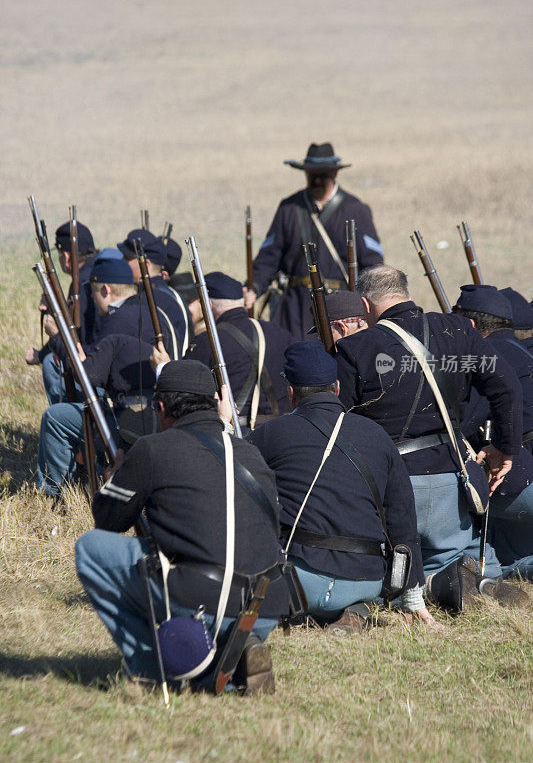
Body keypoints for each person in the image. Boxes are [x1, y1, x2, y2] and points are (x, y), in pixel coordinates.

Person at [75, 360, 289, 693]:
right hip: (264, 605)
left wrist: (114, 479)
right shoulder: (251, 453)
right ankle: (233, 653)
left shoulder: (152, 448)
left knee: (90, 549)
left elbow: (107, 521)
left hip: (201, 598)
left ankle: (154, 668)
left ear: (161, 407)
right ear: (214, 402)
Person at [336, 266, 527, 611]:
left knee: (383, 573)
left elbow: (339, 423)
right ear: (405, 292)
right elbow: (507, 387)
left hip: (388, 487)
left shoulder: (355, 348)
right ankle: (462, 584)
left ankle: (431, 587)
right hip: (448, 479)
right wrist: (506, 448)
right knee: (457, 557)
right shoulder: (457, 330)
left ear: (365, 304)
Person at [248, 341, 435, 632]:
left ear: (291, 393)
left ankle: (300, 612)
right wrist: (411, 596)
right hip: (365, 579)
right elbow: (402, 521)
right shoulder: (377, 435)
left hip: (299, 581)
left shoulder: (269, 434)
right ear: (336, 388)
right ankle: (355, 609)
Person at [35, 256, 173, 497]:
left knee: (56, 418)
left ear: (106, 290)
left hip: (134, 420)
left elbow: (88, 375)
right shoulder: (153, 314)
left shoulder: (118, 322)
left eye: (94, 293)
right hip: (157, 415)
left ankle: (54, 492)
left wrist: (58, 339)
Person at [244, 142, 383, 339]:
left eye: (322, 175)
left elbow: (373, 264)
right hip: (294, 308)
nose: (317, 180)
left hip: (340, 311)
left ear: (334, 174)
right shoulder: (289, 208)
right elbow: (269, 256)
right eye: (312, 174)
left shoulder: (356, 209)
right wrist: (254, 286)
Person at [454, 284, 533, 580]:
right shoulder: (520, 351)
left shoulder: (487, 359)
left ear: (470, 324)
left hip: (519, 479)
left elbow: (463, 423)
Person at [186, 272, 292, 429]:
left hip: (234, 435)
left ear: (208, 303)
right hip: (281, 432)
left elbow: (187, 392)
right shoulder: (282, 335)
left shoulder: (206, 342)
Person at [25, 220, 99, 404]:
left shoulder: (80, 285)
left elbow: (73, 336)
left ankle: (67, 419)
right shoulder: (97, 271)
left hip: (94, 362)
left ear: (66, 256)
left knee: (52, 362)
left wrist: (42, 355)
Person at [118, 229, 189, 355]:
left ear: (145, 263)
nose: (122, 261)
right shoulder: (171, 294)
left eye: (127, 258)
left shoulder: (148, 298)